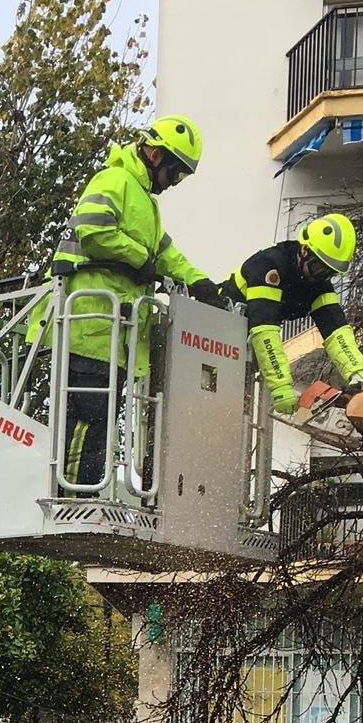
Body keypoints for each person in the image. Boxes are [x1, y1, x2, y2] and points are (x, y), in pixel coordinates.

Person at [28, 114, 218, 490]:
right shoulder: (115, 180)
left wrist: (200, 282)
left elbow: (165, 254)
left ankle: (82, 492)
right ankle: (70, 495)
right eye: (176, 173)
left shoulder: (145, 202)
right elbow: (94, 229)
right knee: (86, 420)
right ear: (155, 155)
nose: (175, 183)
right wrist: (140, 261)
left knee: (99, 424)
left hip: (112, 336)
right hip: (89, 327)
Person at [219, 212, 363, 417]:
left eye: (330, 273)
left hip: (244, 350)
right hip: (219, 336)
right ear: (304, 250)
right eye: (319, 268)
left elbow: (337, 332)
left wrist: (359, 374)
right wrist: (281, 386)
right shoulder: (269, 265)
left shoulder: (318, 283)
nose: (321, 277)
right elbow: (265, 330)